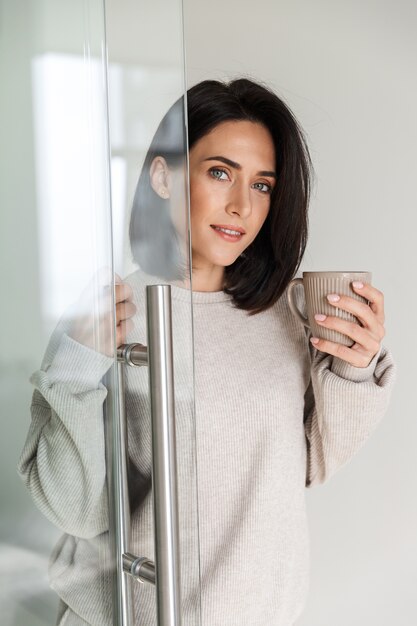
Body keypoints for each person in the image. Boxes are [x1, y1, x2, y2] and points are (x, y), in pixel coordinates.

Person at [18, 78, 396, 626]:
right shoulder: (115, 313)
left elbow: (309, 464)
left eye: (263, 185)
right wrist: (75, 369)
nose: (242, 205)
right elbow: (78, 511)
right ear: (162, 176)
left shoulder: (284, 316)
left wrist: (353, 371)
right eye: (220, 172)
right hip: (132, 613)